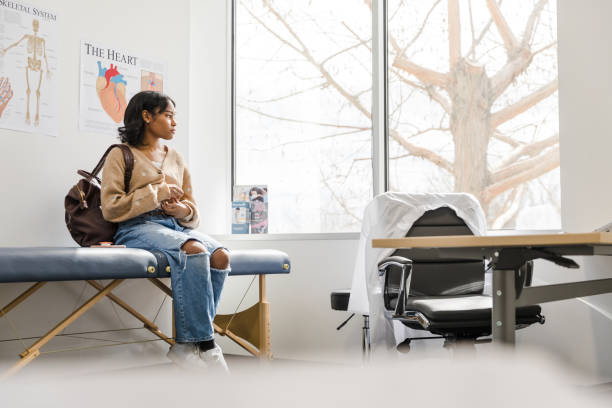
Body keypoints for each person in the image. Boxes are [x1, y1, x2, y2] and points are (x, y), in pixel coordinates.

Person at [101, 91, 230, 371]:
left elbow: (193, 211)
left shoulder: (176, 158)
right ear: (147, 116)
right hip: (136, 228)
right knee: (194, 250)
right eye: (168, 115)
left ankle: (188, 346)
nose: (174, 122)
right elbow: (110, 208)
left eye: (174, 116)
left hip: (174, 227)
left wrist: (182, 211)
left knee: (221, 256)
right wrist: (157, 194)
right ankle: (206, 344)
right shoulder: (120, 154)